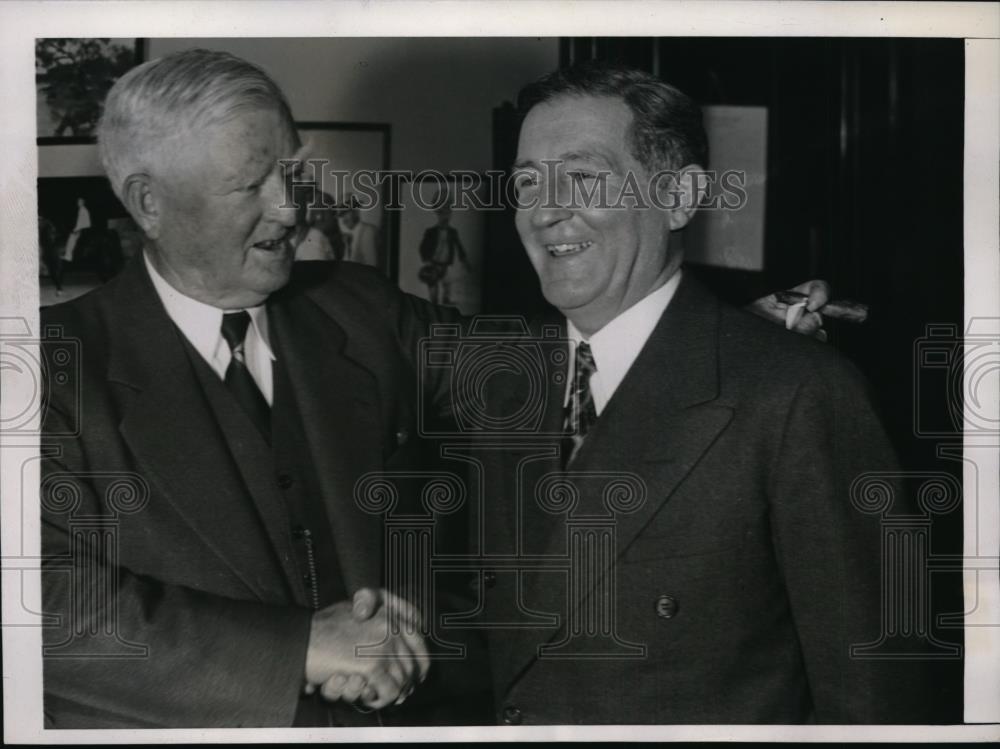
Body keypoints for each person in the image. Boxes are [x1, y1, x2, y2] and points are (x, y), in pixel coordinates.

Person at [458, 63, 930, 724]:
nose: (544, 211)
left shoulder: (797, 394)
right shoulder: (505, 386)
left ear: (680, 196)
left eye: (585, 177)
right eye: (526, 182)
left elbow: (874, 698)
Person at [39, 49, 485, 729]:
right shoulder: (46, 366)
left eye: (294, 172)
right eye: (252, 184)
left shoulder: (363, 308)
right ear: (147, 202)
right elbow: (43, 603)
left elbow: (540, 383)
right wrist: (300, 647)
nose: (290, 208)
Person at [418, 203, 470, 306]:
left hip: (446, 264)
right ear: (438, 215)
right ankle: (433, 305)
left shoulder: (453, 232)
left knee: (447, 283)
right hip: (433, 264)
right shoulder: (431, 232)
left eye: (448, 214)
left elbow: (459, 248)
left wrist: (465, 262)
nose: (445, 217)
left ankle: (446, 300)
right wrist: (427, 260)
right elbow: (422, 247)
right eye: (443, 214)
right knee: (433, 287)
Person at [336, 200, 379, 267]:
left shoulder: (367, 231)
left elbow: (371, 265)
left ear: (355, 211)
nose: (344, 220)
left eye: (346, 213)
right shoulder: (348, 237)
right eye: (342, 216)